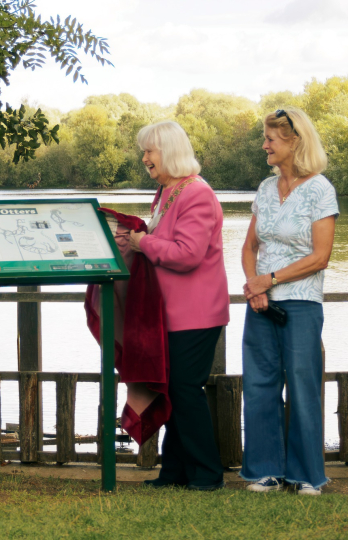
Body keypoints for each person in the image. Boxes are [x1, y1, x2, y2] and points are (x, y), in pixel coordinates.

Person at [240, 108, 338, 496]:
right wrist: (255, 287)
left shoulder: (320, 190)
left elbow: (321, 256)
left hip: (300, 303)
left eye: (270, 139)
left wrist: (271, 280)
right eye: (265, 138)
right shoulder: (265, 188)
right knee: (259, 385)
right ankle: (266, 471)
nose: (264, 145)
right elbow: (249, 247)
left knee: (302, 387)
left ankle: (306, 475)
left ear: (294, 141)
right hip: (261, 304)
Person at [127, 120, 229, 491]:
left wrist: (142, 243)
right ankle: (175, 473)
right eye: (144, 151)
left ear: (168, 151)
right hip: (171, 314)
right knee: (173, 391)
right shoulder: (166, 191)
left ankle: (208, 475)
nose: (144, 158)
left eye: (149, 151)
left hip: (196, 313)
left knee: (184, 390)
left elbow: (187, 255)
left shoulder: (196, 193)